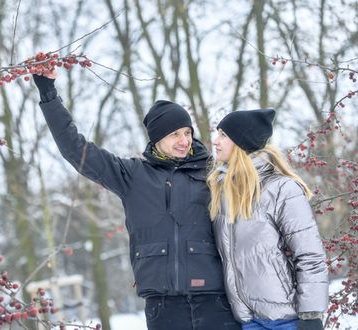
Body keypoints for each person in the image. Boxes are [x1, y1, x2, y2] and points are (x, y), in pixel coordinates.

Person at [32, 73, 241, 330]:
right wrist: (48, 93)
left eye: (187, 132)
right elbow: (75, 149)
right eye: (175, 134)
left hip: (215, 303)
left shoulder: (213, 172)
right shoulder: (132, 176)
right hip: (163, 308)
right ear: (157, 138)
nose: (184, 141)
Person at [207, 109, 329, 330]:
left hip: (287, 318)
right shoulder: (223, 192)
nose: (215, 141)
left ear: (242, 142)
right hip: (248, 320)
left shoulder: (281, 189)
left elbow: (309, 254)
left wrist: (311, 315)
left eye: (223, 135)